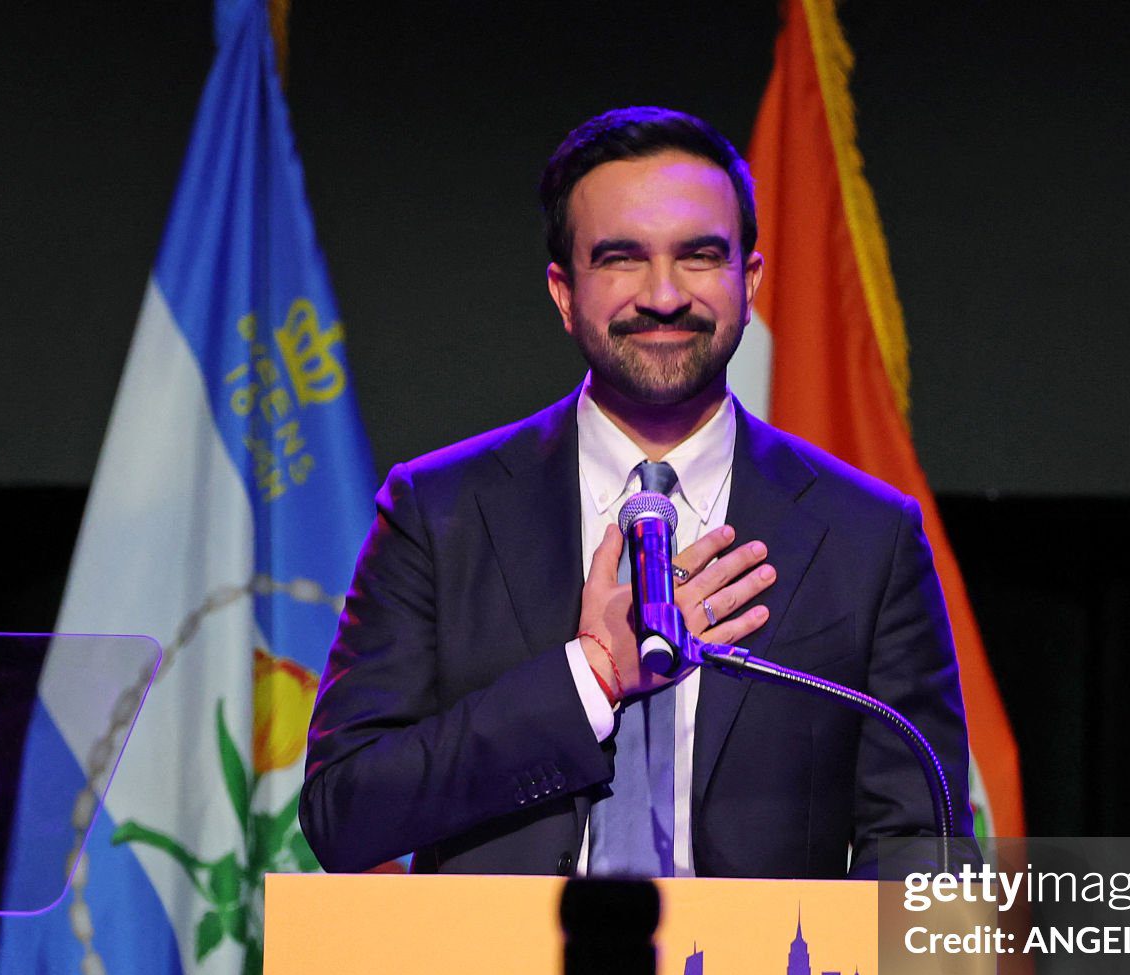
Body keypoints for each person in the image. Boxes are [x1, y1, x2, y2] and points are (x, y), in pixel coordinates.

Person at [300, 106, 969, 879]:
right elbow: (342, 815)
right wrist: (592, 675)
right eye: (621, 258)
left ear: (748, 281)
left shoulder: (866, 538)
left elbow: (928, 852)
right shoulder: (438, 512)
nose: (662, 294)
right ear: (563, 291)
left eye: (698, 256)